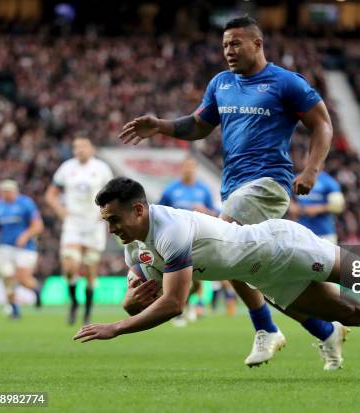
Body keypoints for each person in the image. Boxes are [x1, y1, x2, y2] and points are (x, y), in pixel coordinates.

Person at [74, 177, 360, 375]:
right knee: (350, 313)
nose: (111, 228)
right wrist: (129, 304)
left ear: (139, 210)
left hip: (279, 245)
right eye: (107, 221)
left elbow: (174, 303)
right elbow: (136, 294)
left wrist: (118, 327)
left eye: (115, 219)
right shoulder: (133, 243)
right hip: (264, 276)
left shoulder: (171, 230)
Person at [118, 16, 341, 369]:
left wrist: (311, 169)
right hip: (233, 185)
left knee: (225, 245)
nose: (228, 51)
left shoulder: (286, 83)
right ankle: (324, 327)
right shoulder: (221, 83)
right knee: (255, 268)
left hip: (269, 183)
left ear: (257, 43)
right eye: (224, 45)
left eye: (236, 43)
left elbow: (322, 124)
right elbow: (198, 125)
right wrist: (160, 125)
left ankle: (266, 328)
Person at [45, 137, 114, 325]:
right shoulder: (67, 168)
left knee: (91, 270)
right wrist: (60, 210)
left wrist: (105, 213)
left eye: (83, 146)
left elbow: (113, 195)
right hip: (73, 223)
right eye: (75, 147)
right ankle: (75, 302)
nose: (79, 150)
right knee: (69, 268)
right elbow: (50, 194)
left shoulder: (101, 168)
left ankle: (87, 313)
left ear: (91, 148)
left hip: (94, 223)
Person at [159, 156, 221, 325]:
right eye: (186, 166)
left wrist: (204, 210)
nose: (188, 170)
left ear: (195, 169)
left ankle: (187, 304)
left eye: (191, 167)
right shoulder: (171, 190)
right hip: (175, 240)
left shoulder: (204, 190)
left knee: (197, 278)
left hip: (198, 239)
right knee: (180, 276)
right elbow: (159, 212)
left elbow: (215, 213)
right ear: (182, 168)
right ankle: (178, 310)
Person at [0, 180, 43, 318]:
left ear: (15, 191)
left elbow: (38, 225)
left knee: (22, 278)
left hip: (25, 248)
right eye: (3, 191)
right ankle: (14, 309)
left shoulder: (26, 203)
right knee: (7, 277)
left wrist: (25, 236)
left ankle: (36, 290)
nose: (6, 194)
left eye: (8, 191)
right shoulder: (0, 205)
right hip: (5, 246)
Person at [289, 170, 345, 244]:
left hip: (324, 233)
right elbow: (288, 197)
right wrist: (291, 206)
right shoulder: (296, 178)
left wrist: (317, 209)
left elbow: (338, 206)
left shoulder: (329, 181)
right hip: (302, 233)